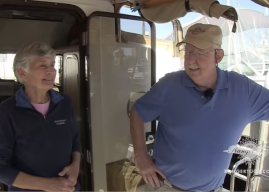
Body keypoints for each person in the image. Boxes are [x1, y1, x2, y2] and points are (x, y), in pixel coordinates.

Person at [130, 23, 269, 192]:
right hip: (166, 187)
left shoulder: (243, 90)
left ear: (218, 56)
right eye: (187, 51)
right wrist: (141, 156)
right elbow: (137, 111)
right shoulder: (169, 85)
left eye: (199, 52)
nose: (190, 59)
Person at [0, 42, 82, 191]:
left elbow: (75, 141)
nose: (51, 71)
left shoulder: (65, 103)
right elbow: (2, 169)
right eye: (43, 66)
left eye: (53, 65)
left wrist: (75, 165)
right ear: (22, 73)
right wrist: (49, 185)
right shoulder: (6, 112)